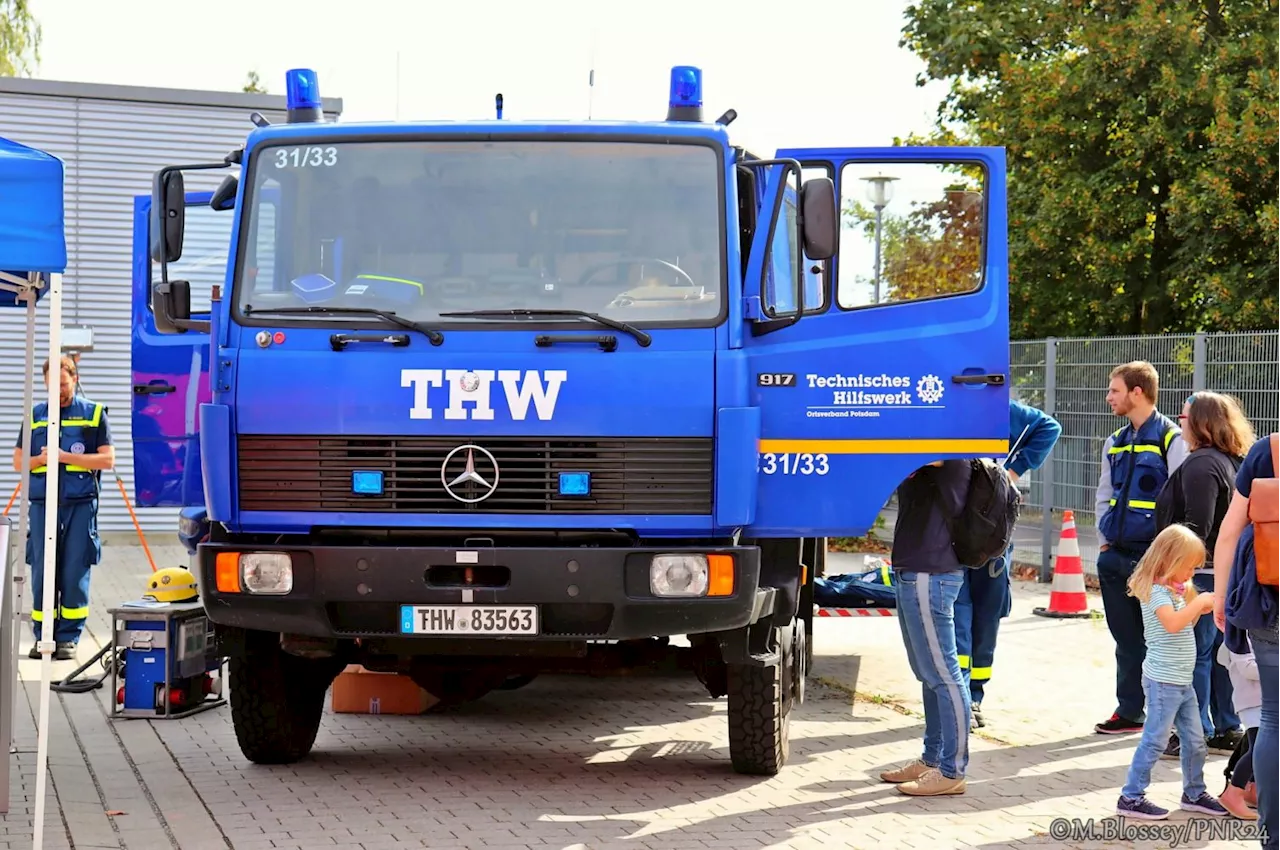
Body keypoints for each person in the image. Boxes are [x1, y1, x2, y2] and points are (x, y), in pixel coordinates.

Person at [1155, 391, 1252, 759]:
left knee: (1192, 655)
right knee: (1217, 654)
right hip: (1222, 573)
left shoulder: (1201, 465)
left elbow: (1198, 525)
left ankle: (1193, 731)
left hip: (1200, 575)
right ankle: (1225, 726)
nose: (1179, 422)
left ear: (1200, 423)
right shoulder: (1232, 462)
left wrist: (1179, 571)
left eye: (1184, 417)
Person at [1094, 361, 1187, 734]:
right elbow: (1104, 494)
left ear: (1137, 392)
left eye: (1114, 390)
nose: (1108, 397)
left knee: (1163, 641)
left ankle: (1168, 721)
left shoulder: (1172, 439)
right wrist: (1103, 545)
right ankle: (1130, 711)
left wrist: (1169, 560)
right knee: (1126, 640)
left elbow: (1181, 500)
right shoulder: (1114, 440)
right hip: (1115, 556)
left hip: (1153, 560)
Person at [956, 398, 1061, 729]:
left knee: (986, 617)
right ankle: (957, 695)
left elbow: (1049, 427)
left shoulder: (1000, 408)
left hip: (992, 534)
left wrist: (1011, 472)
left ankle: (973, 695)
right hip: (953, 532)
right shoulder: (944, 408)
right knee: (958, 614)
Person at [1116, 523, 1227, 819]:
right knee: (1155, 739)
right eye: (1189, 567)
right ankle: (1131, 796)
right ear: (1170, 561)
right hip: (1163, 682)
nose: (1192, 574)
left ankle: (1194, 792)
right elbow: (1173, 624)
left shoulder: (1176, 591)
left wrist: (1200, 607)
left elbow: (1181, 626)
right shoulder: (1156, 593)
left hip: (1182, 681)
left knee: (1195, 740)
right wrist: (1198, 604)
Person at [11, 355, 114, 661]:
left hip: (80, 505)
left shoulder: (93, 413)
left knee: (73, 571)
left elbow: (107, 460)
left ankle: (69, 637)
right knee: (43, 571)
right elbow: (19, 462)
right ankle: (43, 634)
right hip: (43, 506)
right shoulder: (36, 416)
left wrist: (64, 456)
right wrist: (41, 460)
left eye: (64, 384)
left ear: (75, 379)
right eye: (51, 384)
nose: (58, 390)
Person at [878, 459, 971, 797]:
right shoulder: (931, 446)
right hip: (916, 570)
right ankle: (933, 759)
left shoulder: (948, 444)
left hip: (930, 574)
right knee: (928, 673)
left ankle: (952, 771)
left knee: (943, 675)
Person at [1213, 433, 1280, 849]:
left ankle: (1274, 836)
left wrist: (1221, 594)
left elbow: (1230, 530)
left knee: (1273, 718)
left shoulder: (1269, 451)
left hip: (1269, 602)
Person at [1217, 638, 1260, 820]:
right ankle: (1233, 793)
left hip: (1264, 700)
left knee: (1261, 748)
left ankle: (1252, 789)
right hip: (1252, 701)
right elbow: (1247, 668)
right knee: (1258, 749)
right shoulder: (1239, 633)